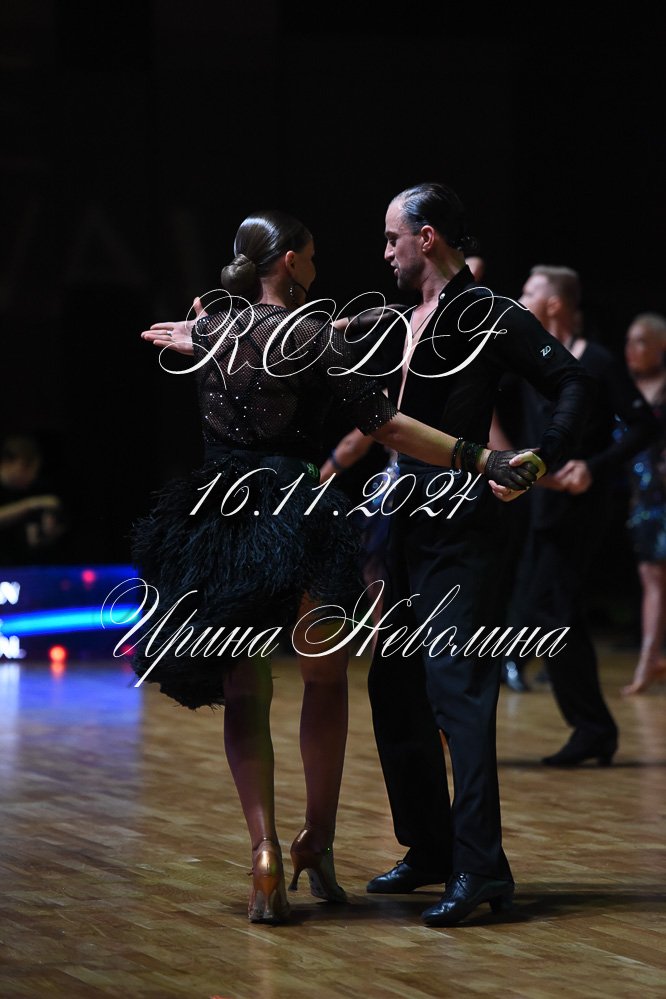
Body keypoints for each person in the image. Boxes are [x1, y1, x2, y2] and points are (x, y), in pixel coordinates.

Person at [133, 208, 542, 926]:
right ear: (291, 260)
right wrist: (476, 455)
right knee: (324, 680)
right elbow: (385, 423)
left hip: (221, 518)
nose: (319, 266)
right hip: (297, 516)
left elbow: (251, 334)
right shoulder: (312, 337)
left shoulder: (212, 328)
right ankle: (315, 842)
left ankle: (263, 853)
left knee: (245, 691)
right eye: (313, 256)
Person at [356, 183, 594, 929]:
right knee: (394, 686)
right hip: (403, 524)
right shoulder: (407, 316)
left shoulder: (489, 312)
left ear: (426, 237)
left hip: (463, 527)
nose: (386, 251)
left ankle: (481, 865)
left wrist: (541, 455)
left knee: (457, 690)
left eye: (393, 237)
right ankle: (430, 847)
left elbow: (572, 381)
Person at [495, 268, 660, 753]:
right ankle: (593, 729)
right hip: (541, 503)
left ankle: (593, 728)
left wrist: (593, 466)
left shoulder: (597, 361)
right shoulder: (532, 358)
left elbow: (643, 427)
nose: (520, 296)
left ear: (555, 304)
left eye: (529, 290)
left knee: (554, 613)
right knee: (551, 613)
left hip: (582, 507)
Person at [620, 312, 666, 695]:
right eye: (629, 341)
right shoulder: (624, 391)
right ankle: (649, 659)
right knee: (651, 577)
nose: (631, 350)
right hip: (643, 500)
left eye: (640, 341)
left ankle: (650, 659)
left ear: (660, 346)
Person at [0, 433, 69, 565]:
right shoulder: (34, 501)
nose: (31, 475)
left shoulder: (32, 490)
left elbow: (33, 540)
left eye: (33, 469)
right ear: (6, 462)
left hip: (20, 567)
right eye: (25, 467)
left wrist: (48, 533)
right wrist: (31, 504)